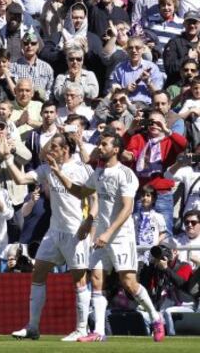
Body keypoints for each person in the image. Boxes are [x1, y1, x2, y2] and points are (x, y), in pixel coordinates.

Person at [51, 127, 166, 342]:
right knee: (96, 280)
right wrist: (58, 173)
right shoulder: (98, 173)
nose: (99, 148)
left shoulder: (126, 174)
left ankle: (156, 316)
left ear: (115, 149)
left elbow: (127, 208)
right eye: (100, 144)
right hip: (102, 236)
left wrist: (108, 232)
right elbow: (80, 192)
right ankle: (100, 332)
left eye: (104, 145)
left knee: (129, 282)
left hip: (121, 237)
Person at [0, 132, 96, 341]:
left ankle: (81, 329)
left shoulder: (82, 168)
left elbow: (92, 197)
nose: (49, 151)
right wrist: (7, 157)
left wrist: (90, 222)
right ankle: (32, 327)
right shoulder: (46, 169)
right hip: (54, 231)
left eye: (54, 147)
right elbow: (21, 178)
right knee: (38, 274)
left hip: (76, 232)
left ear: (65, 150)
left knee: (79, 280)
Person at [123, 110, 187, 235]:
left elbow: (183, 144)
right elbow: (124, 150)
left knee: (165, 233)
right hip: (143, 192)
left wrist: (167, 130)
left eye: (158, 123)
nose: (154, 125)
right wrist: (131, 129)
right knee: (139, 231)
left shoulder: (169, 140)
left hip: (162, 193)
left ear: (165, 124)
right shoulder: (138, 138)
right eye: (151, 122)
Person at [139, 240, 195, 336]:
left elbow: (181, 284)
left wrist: (166, 269)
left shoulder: (184, 266)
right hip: (161, 308)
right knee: (142, 315)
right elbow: (145, 287)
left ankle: (172, 339)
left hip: (183, 306)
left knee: (168, 313)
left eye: (165, 250)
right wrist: (150, 267)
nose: (162, 253)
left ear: (175, 252)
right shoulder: (156, 268)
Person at [108, 36, 163, 104]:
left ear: (143, 49)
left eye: (137, 48)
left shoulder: (152, 68)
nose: (134, 50)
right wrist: (126, 90)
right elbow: (112, 92)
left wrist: (148, 83)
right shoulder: (120, 68)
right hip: (124, 105)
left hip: (145, 106)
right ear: (127, 50)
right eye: (131, 48)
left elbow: (159, 95)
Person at [10, 31, 54, 101]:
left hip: (41, 105)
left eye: (33, 43)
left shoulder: (47, 68)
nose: (29, 46)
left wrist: (43, 96)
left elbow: (50, 90)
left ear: (38, 46)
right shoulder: (13, 67)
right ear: (22, 45)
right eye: (26, 43)